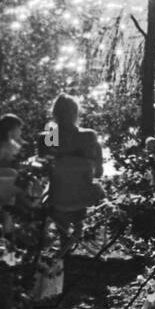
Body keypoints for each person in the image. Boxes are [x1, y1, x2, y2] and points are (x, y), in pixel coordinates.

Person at [40, 93, 104, 248]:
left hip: (57, 198)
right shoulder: (89, 136)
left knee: (51, 190)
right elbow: (98, 173)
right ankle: (74, 235)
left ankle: (64, 241)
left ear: (54, 114)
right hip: (85, 197)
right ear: (76, 113)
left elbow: (44, 170)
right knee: (88, 186)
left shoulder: (50, 135)